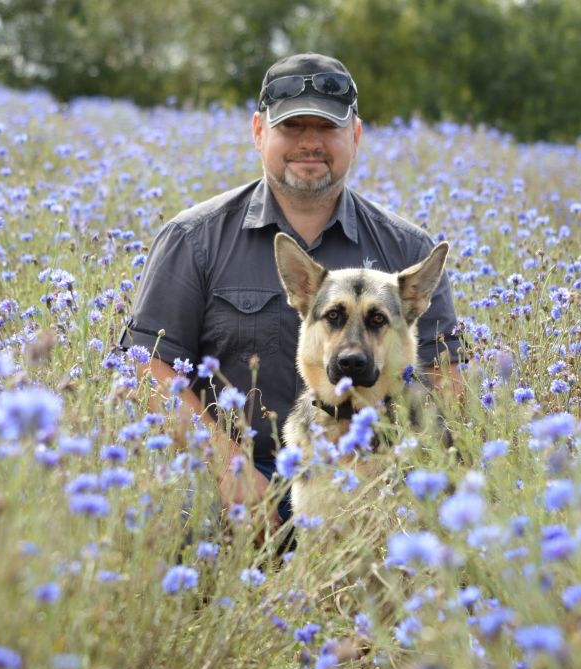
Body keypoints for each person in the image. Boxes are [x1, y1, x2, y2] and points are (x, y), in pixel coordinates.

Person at [120, 53, 465, 534]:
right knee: (176, 509)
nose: (309, 142)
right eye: (291, 127)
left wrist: (389, 468)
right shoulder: (194, 239)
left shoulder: (407, 247)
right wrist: (229, 470)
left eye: (326, 127)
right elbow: (149, 367)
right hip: (244, 473)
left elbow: (448, 377)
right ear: (259, 132)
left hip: (374, 470)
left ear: (356, 137)